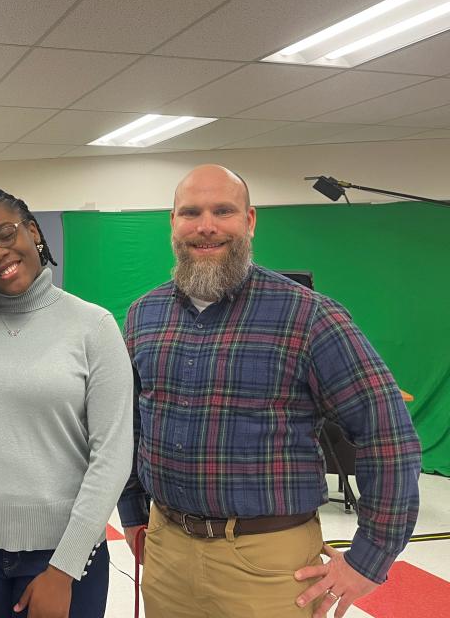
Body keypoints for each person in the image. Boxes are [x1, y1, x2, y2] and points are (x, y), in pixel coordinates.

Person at [118, 165, 422, 618]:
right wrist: (133, 511)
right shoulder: (145, 315)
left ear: (250, 220)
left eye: (223, 210)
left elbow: (388, 437)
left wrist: (369, 559)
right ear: (173, 223)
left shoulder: (311, 318)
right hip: (166, 551)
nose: (206, 226)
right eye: (191, 212)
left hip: (269, 566)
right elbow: (132, 424)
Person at [0, 189, 135, 618]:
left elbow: (113, 457)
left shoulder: (93, 327)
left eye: (6, 234)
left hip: (60, 553)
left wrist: (65, 567)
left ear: (34, 232)